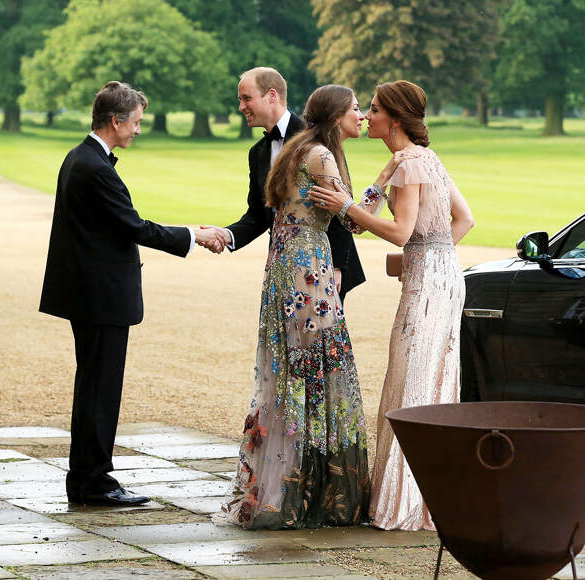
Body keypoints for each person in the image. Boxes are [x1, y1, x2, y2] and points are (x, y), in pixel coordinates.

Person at [216, 85, 402, 529]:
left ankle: (283, 488)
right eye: (355, 108)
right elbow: (353, 221)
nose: (361, 115)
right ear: (336, 115)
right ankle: (312, 493)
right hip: (308, 274)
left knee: (292, 373)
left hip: (285, 270)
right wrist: (383, 178)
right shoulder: (321, 156)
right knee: (316, 372)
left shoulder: (298, 149)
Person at [39, 81, 225, 506]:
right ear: (115, 121)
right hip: (99, 297)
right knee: (100, 390)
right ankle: (94, 483)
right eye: (136, 122)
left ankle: (85, 478)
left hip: (90, 295)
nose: (139, 130)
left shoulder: (81, 158)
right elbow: (133, 226)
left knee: (93, 387)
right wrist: (194, 235)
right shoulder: (93, 167)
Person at [309, 80, 475, 530]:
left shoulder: (412, 164)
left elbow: (399, 232)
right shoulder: (421, 159)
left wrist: (349, 206)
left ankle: (406, 506)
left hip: (428, 288)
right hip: (443, 277)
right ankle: (430, 499)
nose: (367, 115)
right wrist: (429, 253)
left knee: (412, 382)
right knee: (429, 379)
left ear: (395, 120)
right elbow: (465, 219)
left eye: (375, 109)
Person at [204, 67, 365, 303]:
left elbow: (339, 203)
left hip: (323, 265)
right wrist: (226, 235)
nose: (240, 107)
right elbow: (258, 214)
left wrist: (338, 265)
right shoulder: (257, 152)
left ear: (272, 95)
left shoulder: (315, 139)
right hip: (281, 263)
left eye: (246, 98)